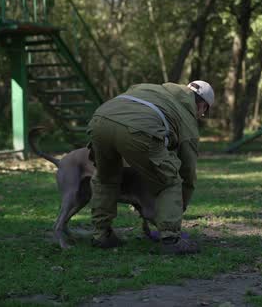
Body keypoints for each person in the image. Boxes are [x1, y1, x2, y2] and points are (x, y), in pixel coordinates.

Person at [87, 80, 214, 255]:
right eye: (203, 112)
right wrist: (178, 207)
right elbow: (187, 171)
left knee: (106, 178)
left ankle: (101, 234)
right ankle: (171, 239)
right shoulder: (187, 118)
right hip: (139, 128)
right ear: (202, 106)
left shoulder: (151, 88)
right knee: (170, 181)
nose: (201, 116)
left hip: (100, 119)